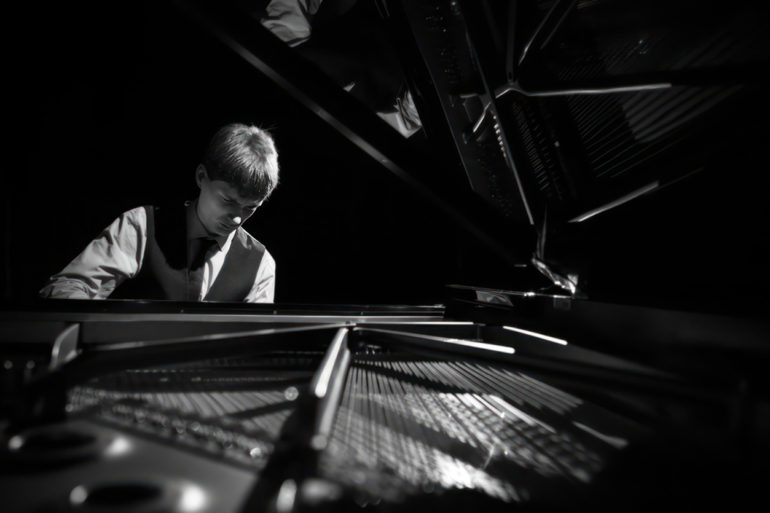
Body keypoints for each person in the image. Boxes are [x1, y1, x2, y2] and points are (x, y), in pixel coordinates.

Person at [39, 123, 279, 303]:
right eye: (228, 200)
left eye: (250, 208)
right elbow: (65, 288)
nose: (237, 218)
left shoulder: (262, 264)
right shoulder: (141, 226)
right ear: (201, 177)